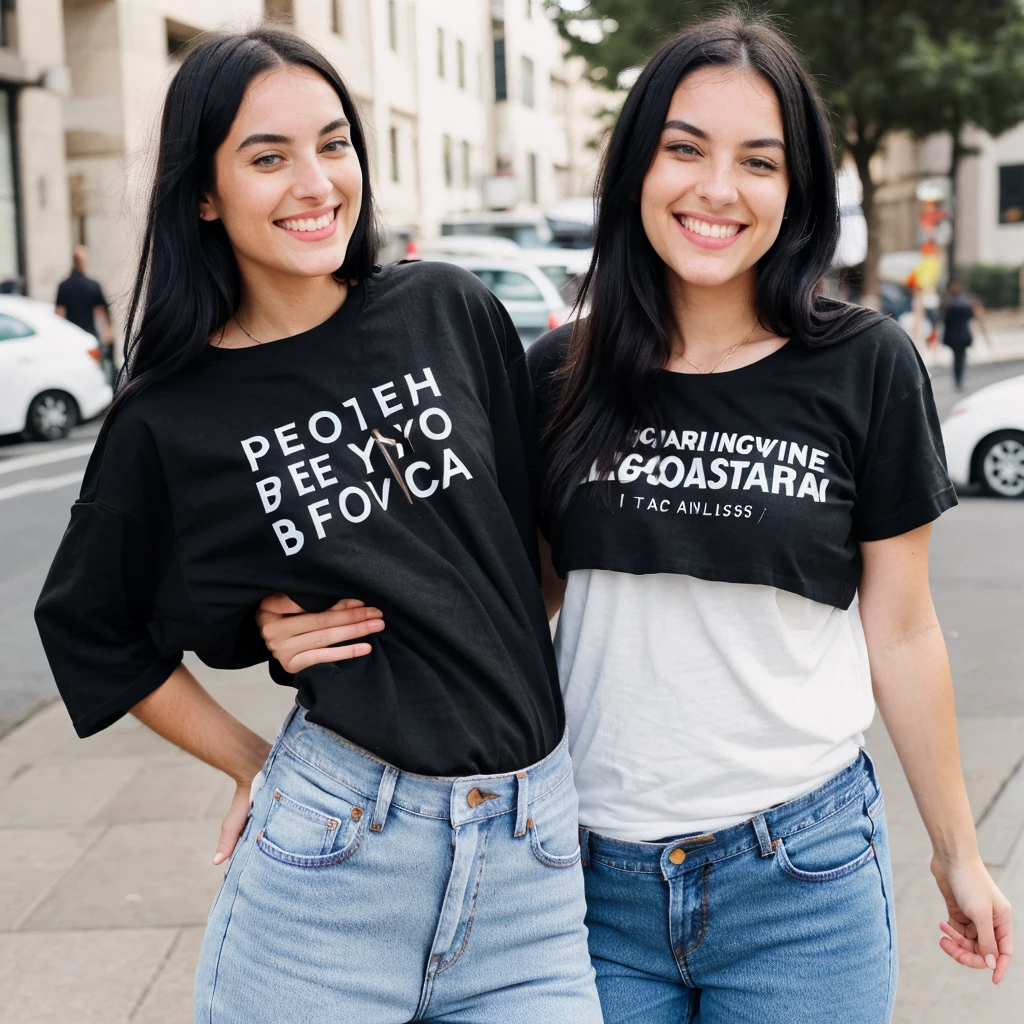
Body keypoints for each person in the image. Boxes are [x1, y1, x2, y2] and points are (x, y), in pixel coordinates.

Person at [261, 13, 1013, 1023]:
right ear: (634, 169)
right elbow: (502, 607)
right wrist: (303, 630)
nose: (716, 188)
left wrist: (957, 851)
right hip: (579, 877)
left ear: (796, 193)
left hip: (801, 875)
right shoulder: (558, 374)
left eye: (759, 160)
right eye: (684, 148)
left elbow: (904, 624)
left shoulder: (863, 364)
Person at [34, 29, 601, 1024]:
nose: (315, 182)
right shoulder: (172, 413)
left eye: (333, 144)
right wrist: (255, 759)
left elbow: (521, 557)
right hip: (335, 857)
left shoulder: (448, 308)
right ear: (203, 191)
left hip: (532, 858)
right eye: (268, 156)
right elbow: (91, 625)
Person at [55, 245, 115, 383]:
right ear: (85, 261)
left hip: (71, 335)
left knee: (74, 371)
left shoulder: (63, 286)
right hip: (90, 333)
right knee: (94, 370)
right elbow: (101, 313)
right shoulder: (93, 285)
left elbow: (59, 314)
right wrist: (107, 333)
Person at [943, 277, 988, 391]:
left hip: (958, 335)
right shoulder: (960, 301)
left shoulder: (954, 301)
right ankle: (958, 380)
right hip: (958, 335)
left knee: (959, 358)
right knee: (959, 358)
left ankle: (958, 380)